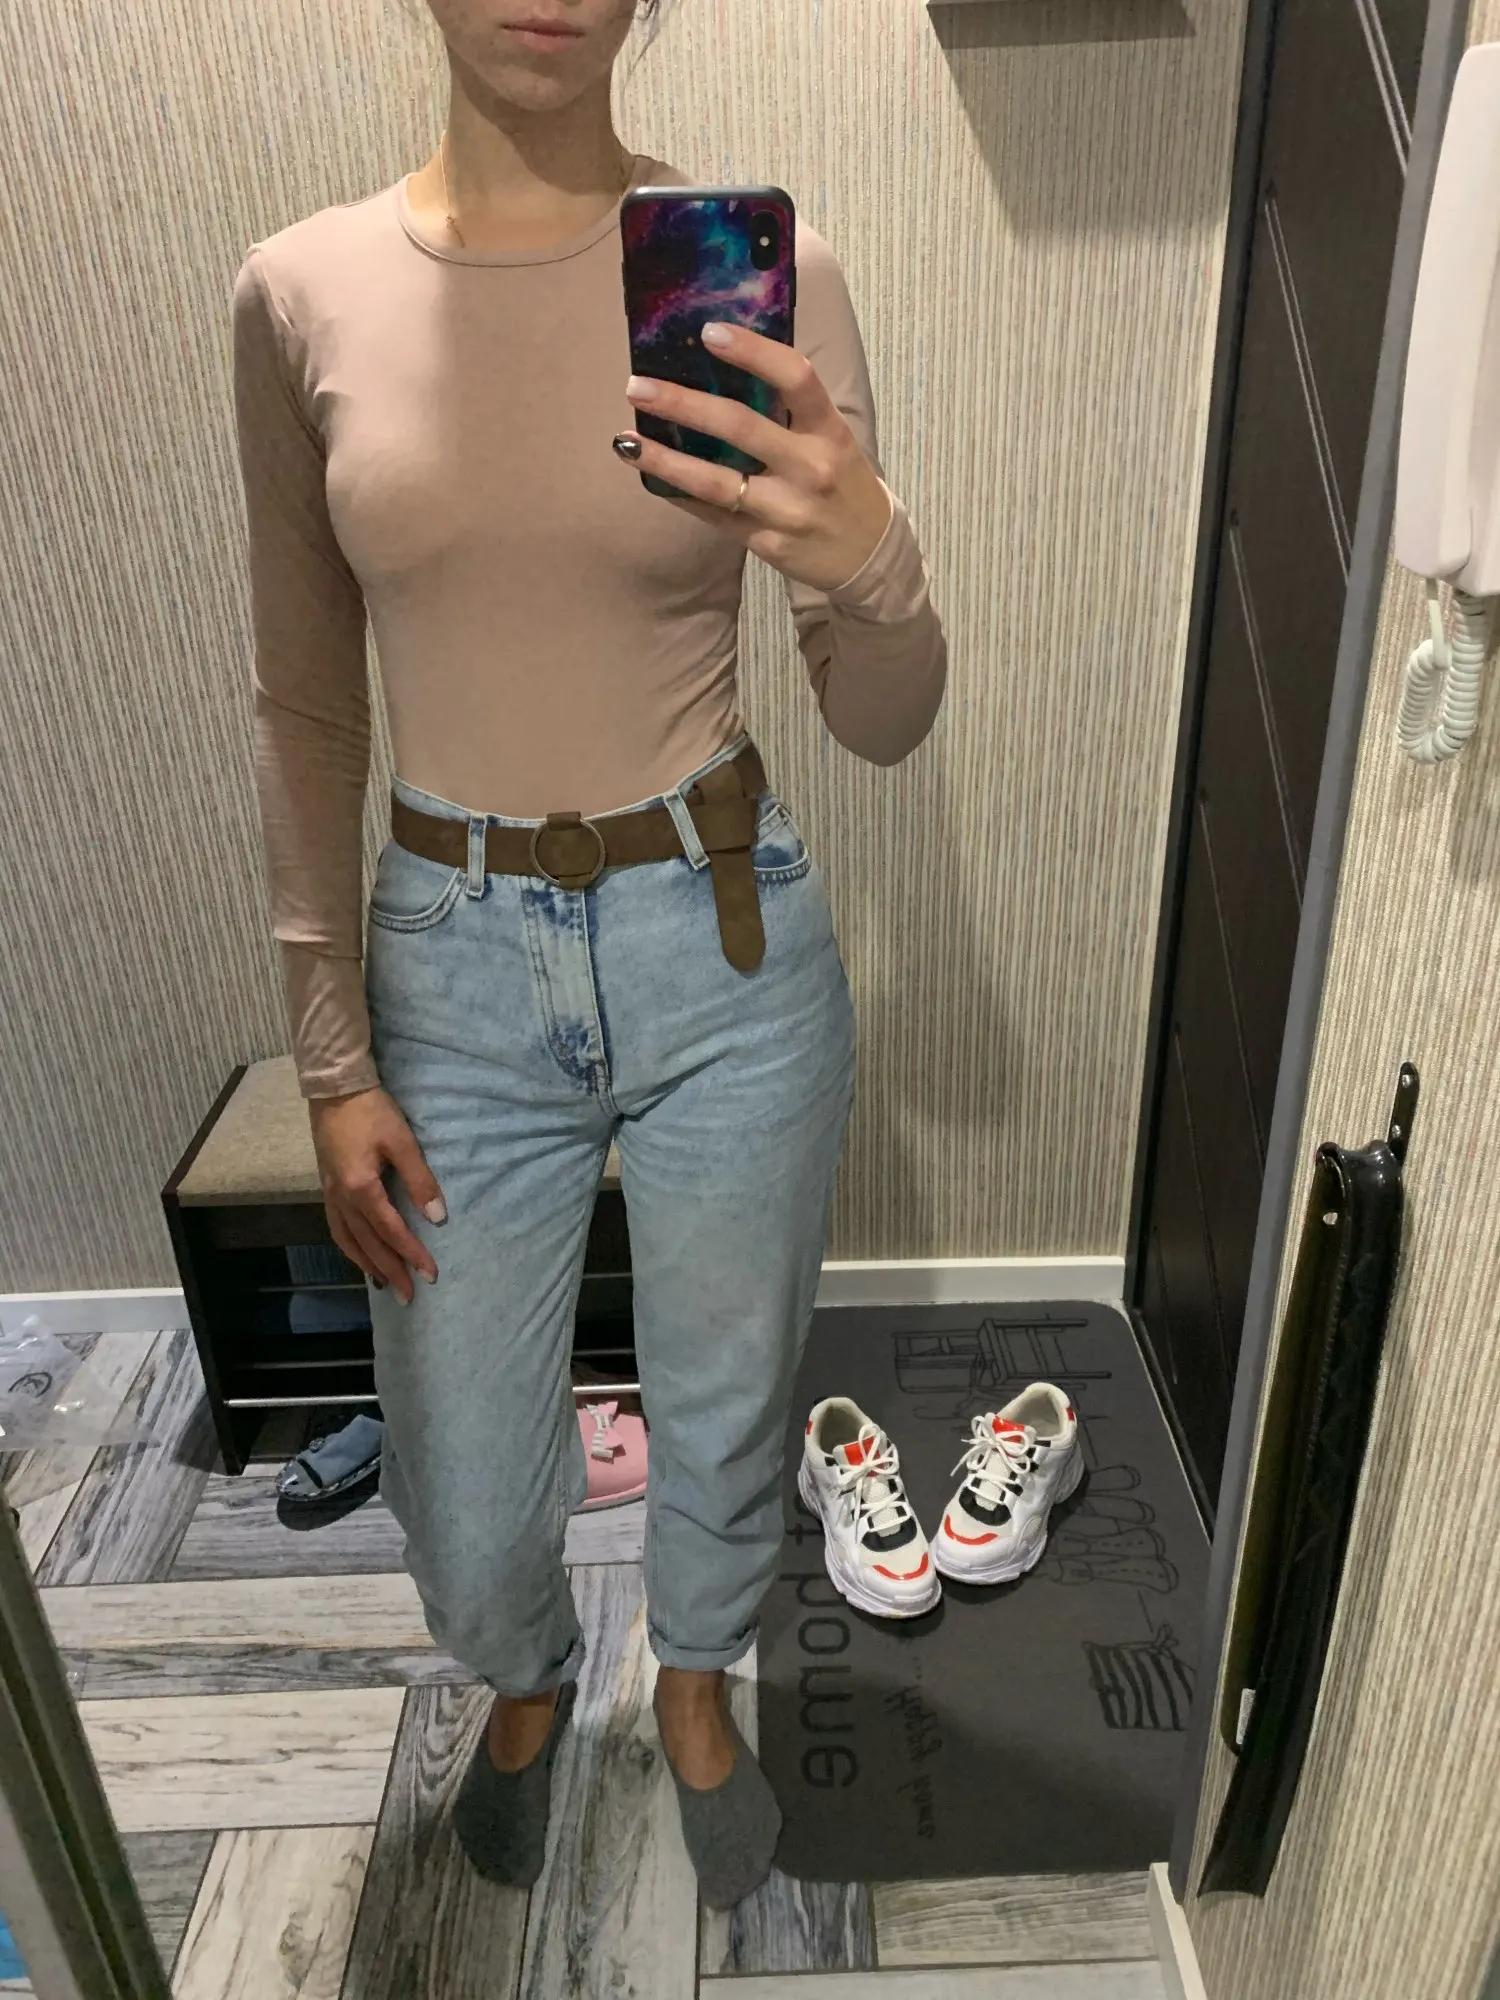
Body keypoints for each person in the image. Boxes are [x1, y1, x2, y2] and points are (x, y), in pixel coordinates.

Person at [231, 0, 946, 1909]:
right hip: (450, 959)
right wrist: (329, 1054)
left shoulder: (763, 278)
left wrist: (867, 551)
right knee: (464, 1489)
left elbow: (886, 718)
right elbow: (305, 703)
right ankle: (529, 1671)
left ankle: (694, 1682)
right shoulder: (301, 293)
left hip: (722, 928)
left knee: (726, 1397)